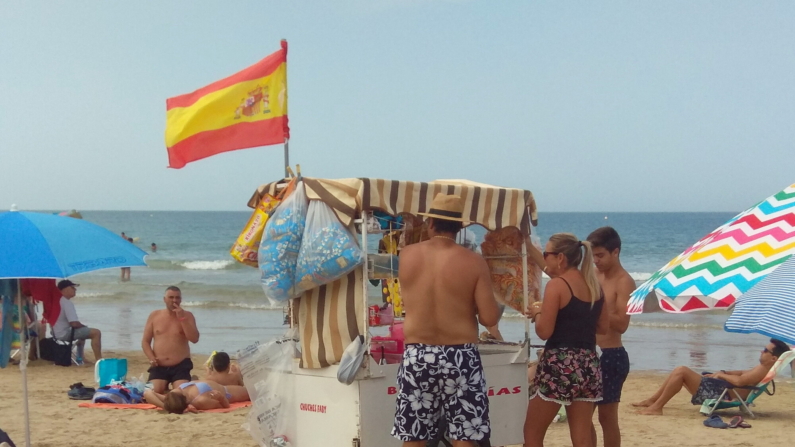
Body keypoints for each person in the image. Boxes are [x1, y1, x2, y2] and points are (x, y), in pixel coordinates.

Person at [391, 194, 501, 446]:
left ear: (430, 223)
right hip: (459, 355)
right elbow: (489, 317)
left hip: (418, 354)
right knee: (464, 435)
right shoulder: (473, 262)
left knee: (414, 434)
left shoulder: (407, 255)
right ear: (460, 227)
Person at [525, 233, 608, 447]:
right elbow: (603, 327)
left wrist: (537, 313)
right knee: (581, 435)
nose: (545, 259)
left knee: (532, 433)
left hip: (560, 363)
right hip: (589, 363)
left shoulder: (558, 285)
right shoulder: (594, 286)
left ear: (560, 258)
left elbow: (544, 331)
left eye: (547, 254)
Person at [633, 339, 791, 415]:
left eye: (765, 350)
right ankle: (653, 401)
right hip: (721, 388)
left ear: (773, 359)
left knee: (681, 371)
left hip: (722, 394)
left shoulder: (762, 370)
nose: (761, 351)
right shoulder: (763, 368)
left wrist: (721, 375)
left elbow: (741, 381)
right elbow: (742, 373)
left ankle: (657, 407)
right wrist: (724, 372)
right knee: (678, 371)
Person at [586, 227, 635, 447]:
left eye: (600, 255)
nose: (596, 261)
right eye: (593, 256)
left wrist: (597, 308)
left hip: (611, 354)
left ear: (615, 252)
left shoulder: (624, 281)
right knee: (582, 417)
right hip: (587, 352)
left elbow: (623, 324)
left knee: (607, 418)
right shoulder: (593, 275)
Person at [141, 286, 200, 393]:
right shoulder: (155, 315)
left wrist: (182, 319)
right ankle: (166, 387)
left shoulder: (188, 316)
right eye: (171, 297)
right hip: (159, 365)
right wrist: (151, 357)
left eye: (177, 298)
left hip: (180, 364)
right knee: (152, 392)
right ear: (164, 299)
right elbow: (145, 341)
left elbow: (194, 339)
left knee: (180, 393)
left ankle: (191, 380)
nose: (174, 300)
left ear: (181, 300)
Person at [52, 279, 102, 363]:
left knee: (82, 331)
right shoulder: (66, 303)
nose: (75, 290)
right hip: (64, 333)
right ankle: (99, 360)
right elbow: (74, 323)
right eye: (73, 288)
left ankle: (80, 357)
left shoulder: (57, 301)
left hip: (56, 332)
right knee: (96, 332)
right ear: (66, 289)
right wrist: (83, 326)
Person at [143, 379, 249, 413]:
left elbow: (147, 393)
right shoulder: (199, 401)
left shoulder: (174, 396)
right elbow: (225, 406)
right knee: (254, 391)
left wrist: (166, 407)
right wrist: (221, 398)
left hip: (222, 385)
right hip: (228, 392)